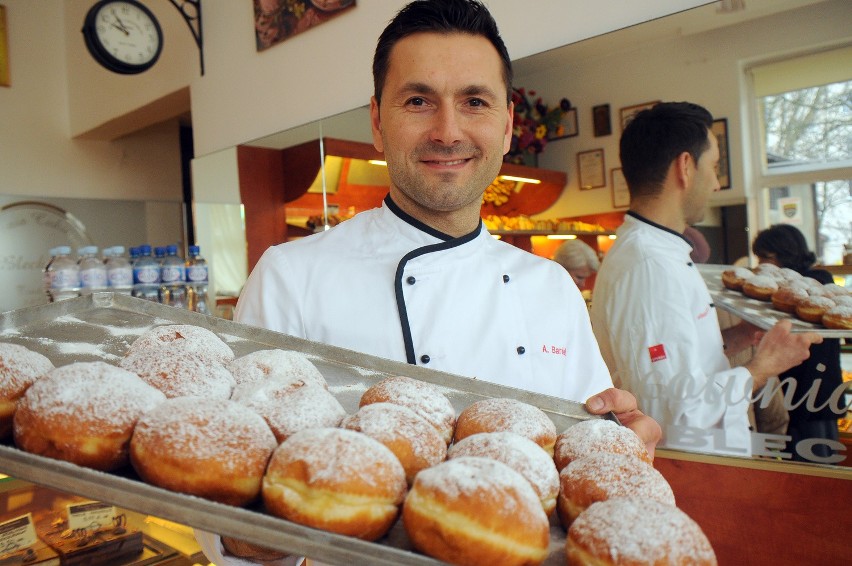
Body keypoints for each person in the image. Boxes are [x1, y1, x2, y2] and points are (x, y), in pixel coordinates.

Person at [200, 1, 661, 564]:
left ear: (508, 124)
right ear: (376, 121)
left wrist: (620, 452)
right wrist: (250, 533)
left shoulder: (552, 288)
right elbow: (228, 513)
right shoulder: (291, 276)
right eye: (418, 101)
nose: (448, 132)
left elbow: (574, 477)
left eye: (474, 102)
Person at [590, 101, 822, 457]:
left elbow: (677, 366)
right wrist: (763, 366)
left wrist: (734, 338)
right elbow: (675, 411)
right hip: (694, 473)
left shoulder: (663, 252)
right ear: (685, 167)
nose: (715, 183)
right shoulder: (650, 266)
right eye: (714, 167)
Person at [751, 223, 844, 461]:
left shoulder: (808, 289)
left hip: (808, 393)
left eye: (765, 257)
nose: (760, 264)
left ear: (786, 254)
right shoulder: (799, 288)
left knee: (812, 467)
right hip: (811, 393)